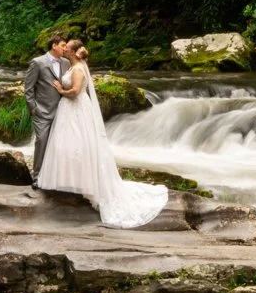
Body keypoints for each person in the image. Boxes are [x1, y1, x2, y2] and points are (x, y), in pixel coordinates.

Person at [34, 43, 169, 228]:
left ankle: (84, 184)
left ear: (73, 52)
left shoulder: (79, 68)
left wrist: (60, 91)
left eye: (67, 48)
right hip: (68, 111)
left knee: (80, 144)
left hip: (76, 109)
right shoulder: (72, 65)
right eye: (63, 46)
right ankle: (71, 181)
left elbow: (74, 92)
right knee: (68, 144)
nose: (64, 49)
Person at [22, 34, 73, 179]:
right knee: (42, 141)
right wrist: (33, 109)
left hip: (63, 111)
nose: (65, 48)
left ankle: (55, 176)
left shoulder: (66, 63)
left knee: (60, 145)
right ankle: (37, 176)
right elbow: (28, 88)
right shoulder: (37, 63)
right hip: (42, 112)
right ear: (54, 45)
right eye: (63, 45)